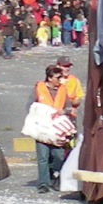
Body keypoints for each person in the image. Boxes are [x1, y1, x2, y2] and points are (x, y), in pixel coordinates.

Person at [31, 63, 76, 192]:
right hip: (42, 128)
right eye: (58, 77)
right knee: (43, 157)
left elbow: (69, 107)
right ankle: (43, 184)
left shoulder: (63, 90)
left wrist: (64, 112)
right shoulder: (38, 88)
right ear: (50, 78)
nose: (60, 80)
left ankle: (55, 175)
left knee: (58, 156)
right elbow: (30, 106)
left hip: (57, 129)